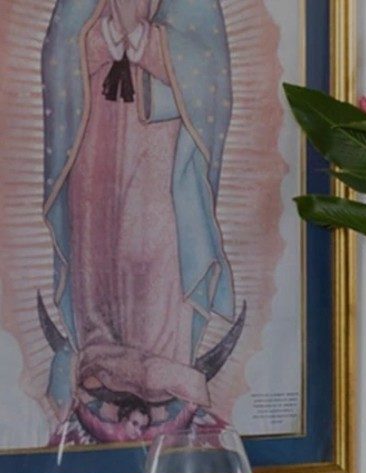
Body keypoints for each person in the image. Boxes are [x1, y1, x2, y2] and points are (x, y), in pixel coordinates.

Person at [41, 0, 235, 441]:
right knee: (97, 251)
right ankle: (100, 363)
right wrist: (100, 41)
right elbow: (57, 55)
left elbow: (211, 71)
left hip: (159, 150)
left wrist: (147, 43)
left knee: (153, 251)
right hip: (93, 142)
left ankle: (162, 371)